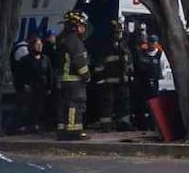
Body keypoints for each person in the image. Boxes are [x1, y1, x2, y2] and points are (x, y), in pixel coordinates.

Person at [56, 11, 91, 140]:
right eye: (81, 25)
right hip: (74, 81)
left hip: (65, 80)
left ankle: (63, 130)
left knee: (64, 106)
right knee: (75, 105)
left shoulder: (64, 39)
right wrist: (87, 76)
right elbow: (79, 61)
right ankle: (73, 132)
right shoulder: (74, 41)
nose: (83, 28)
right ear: (74, 26)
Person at [92, 20, 133, 132]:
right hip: (107, 82)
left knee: (124, 103)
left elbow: (129, 62)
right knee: (107, 104)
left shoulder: (124, 45)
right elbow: (99, 65)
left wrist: (130, 74)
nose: (118, 35)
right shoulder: (105, 46)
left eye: (120, 32)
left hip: (122, 81)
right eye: (116, 33)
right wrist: (100, 79)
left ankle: (123, 124)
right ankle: (106, 126)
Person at [13, 34, 53, 133]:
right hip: (31, 88)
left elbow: (49, 74)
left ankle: (41, 125)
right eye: (37, 44)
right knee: (30, 108)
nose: (40, 46)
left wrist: (49, 87)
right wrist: (24, 85)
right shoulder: (25, 60)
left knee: (42, 107)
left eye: (40, 44)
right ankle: (30, 126)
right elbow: (20, 75)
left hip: (43, 88)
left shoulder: (45, 59)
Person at [132, 34, 167, 130]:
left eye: (154, 43)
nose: (152, 45)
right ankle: (143, 125)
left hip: (155, 84)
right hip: (143, 84)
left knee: (154, 104)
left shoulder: (160, 54)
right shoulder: (142, 54)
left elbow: (162, 68)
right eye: (151, 42)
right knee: (143, 105)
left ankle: (153, 125)